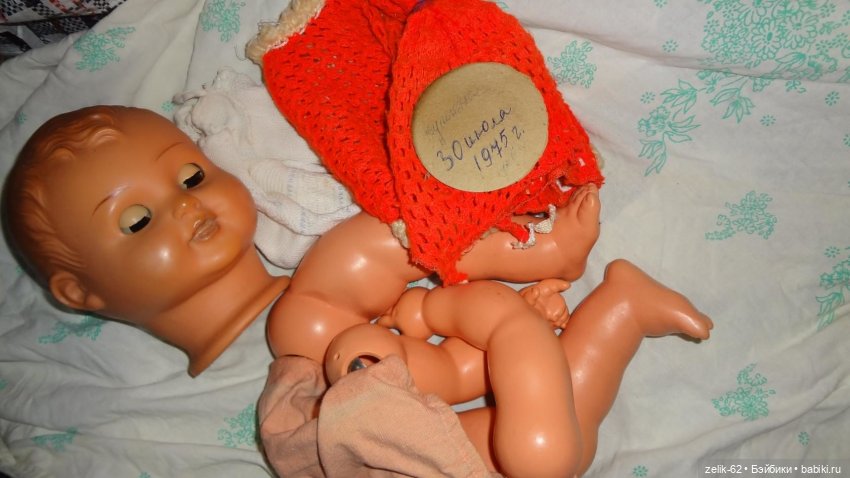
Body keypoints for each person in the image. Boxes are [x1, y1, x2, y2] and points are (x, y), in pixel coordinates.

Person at [3, 105, 712, 476]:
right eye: (136, 220)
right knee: (550, 455)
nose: (185, 205)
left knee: (537, 453)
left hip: (388, 340)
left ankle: (535, 293)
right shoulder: (119, 417)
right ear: (78, 293)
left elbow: (395, 240)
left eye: (190, 176)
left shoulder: (303, 312)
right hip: (415, 422)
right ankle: (618, 312)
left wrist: (525, 268)